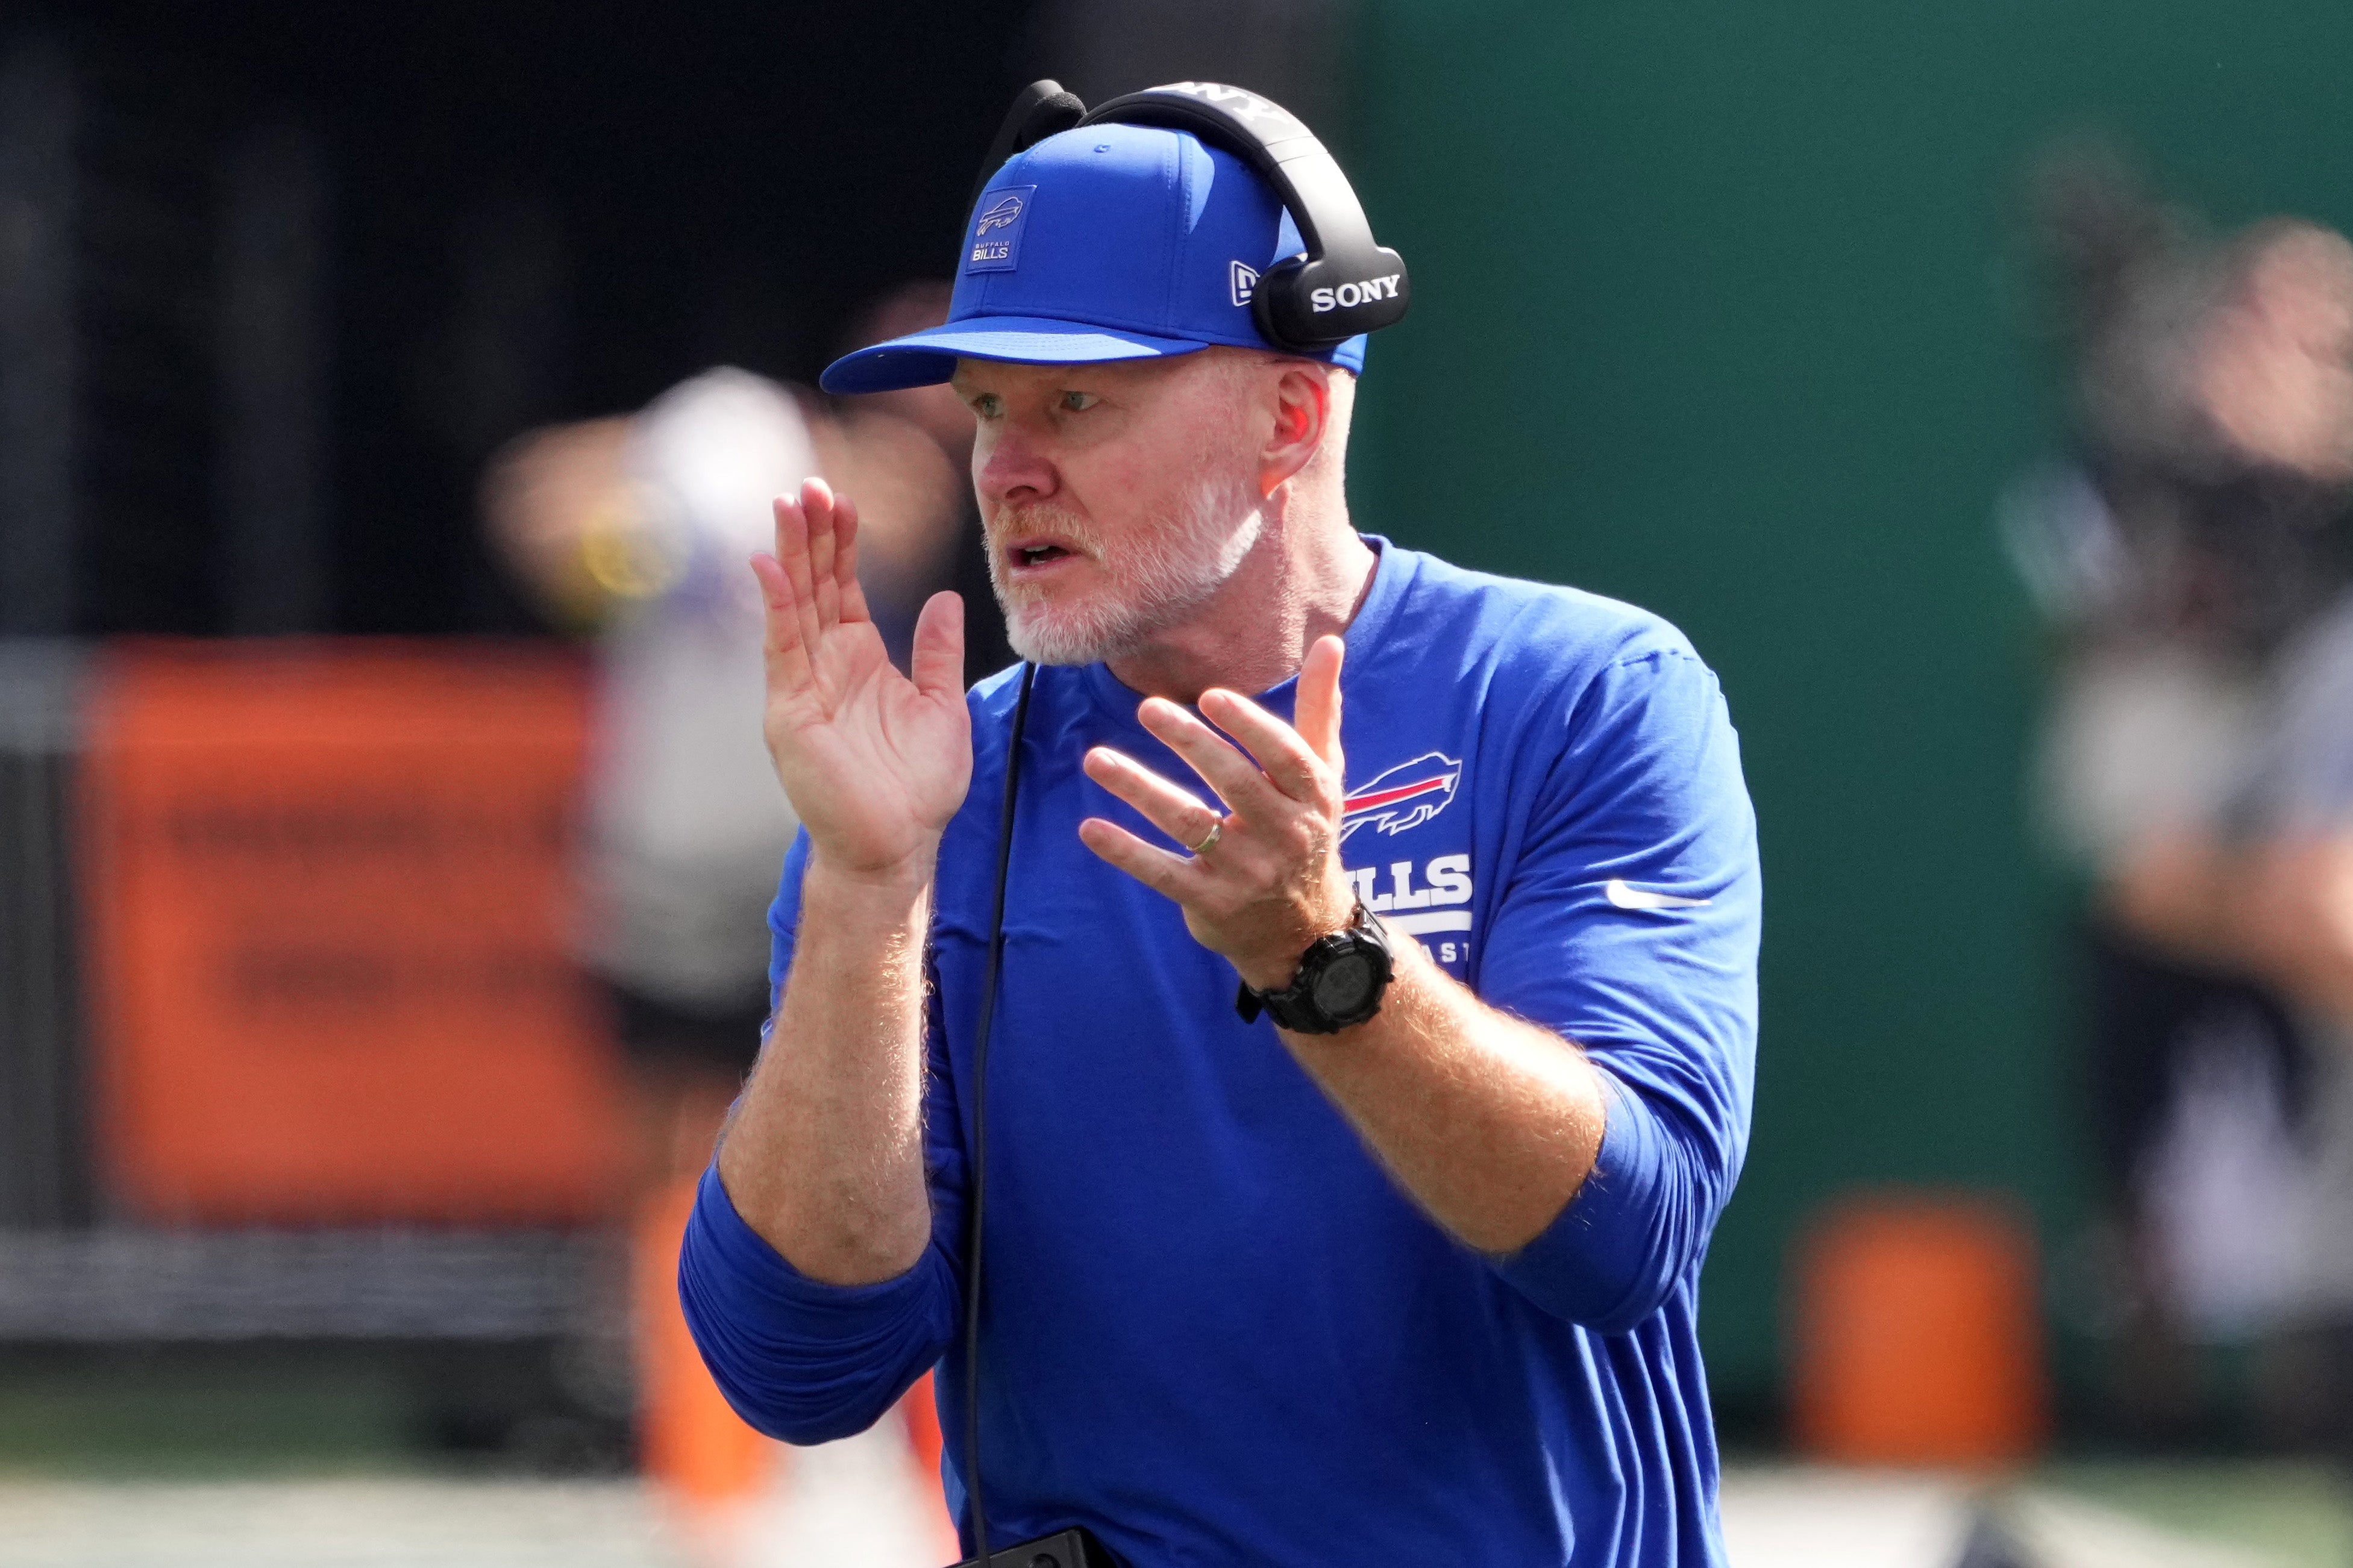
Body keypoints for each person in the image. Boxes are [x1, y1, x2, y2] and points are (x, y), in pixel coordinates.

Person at [680, 98, 1760, 1566]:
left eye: (1078, 404)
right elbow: (796, 1370)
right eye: (988, 406)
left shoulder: (1578, 694)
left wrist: (1322, 959)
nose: (1005, 469)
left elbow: (1622, 1238)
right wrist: (868, 887)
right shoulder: (930, 793)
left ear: (1288, 419)